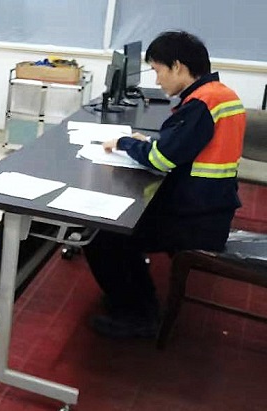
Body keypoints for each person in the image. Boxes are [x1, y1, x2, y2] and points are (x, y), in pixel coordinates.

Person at [87, 31, 246, 339]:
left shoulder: (201, 104)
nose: (157, 81)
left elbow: (161, 160)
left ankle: (138, 316)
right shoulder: (219, 94)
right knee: (120, 226)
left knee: (105, 235)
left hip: (196, 219)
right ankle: (132, 298)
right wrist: (149, 143)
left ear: (177, 66)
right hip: (210, 206)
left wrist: (123, 142)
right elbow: (184, 147)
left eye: (158, 71)